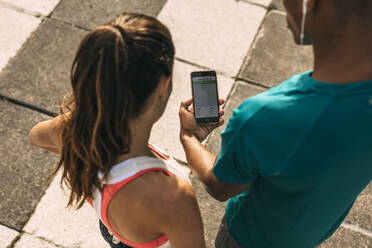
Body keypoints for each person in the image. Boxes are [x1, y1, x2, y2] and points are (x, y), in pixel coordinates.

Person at [178, 0, 372, 247]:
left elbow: (220, 185)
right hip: (310, 234)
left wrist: (189, 137)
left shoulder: (265, 116)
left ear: (308, 4)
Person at [29, 13, 206, 248]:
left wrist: (76, 149)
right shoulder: (173, 198)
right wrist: (191, 139)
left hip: (115, 232)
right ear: (164, 84)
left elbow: (35, 136)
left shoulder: (74, 130)